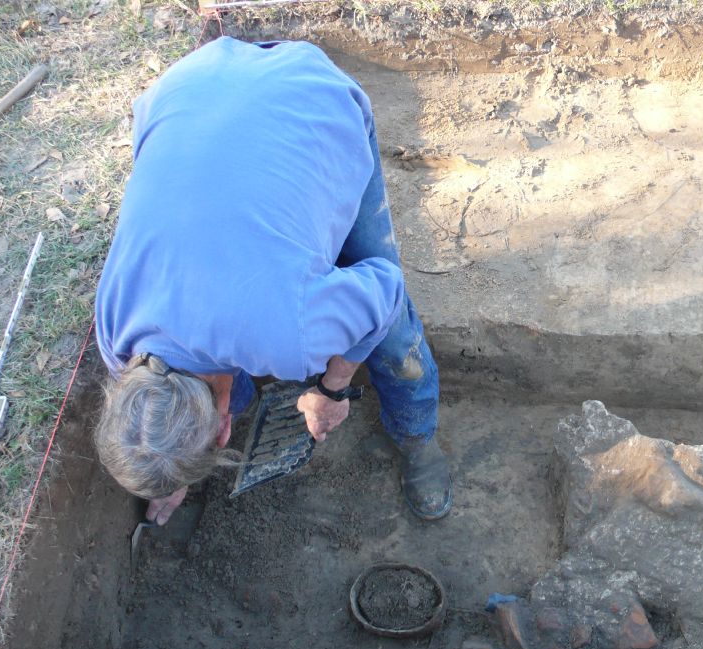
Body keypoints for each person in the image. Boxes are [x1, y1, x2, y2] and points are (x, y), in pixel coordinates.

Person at [93, 37, 451, 524]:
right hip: (186, 88)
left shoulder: (291, 334)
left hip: (309, 99)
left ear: (223, 436)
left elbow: (383, 290)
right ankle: (231, 405)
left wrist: (333, 389)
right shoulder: (116, 335)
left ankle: (417, 439)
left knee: (389, 335)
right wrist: (167, 470)